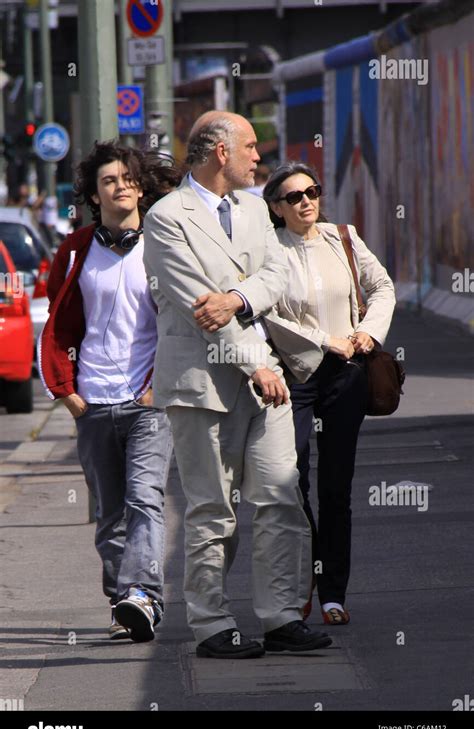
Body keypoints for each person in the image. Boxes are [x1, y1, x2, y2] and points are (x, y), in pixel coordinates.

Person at [143, 111, 332, 658]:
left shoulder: (254, 208)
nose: (259, 156)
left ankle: (278, 615)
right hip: (204, 384)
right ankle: (211, 623)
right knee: (212, 510)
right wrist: (258, 364)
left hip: (262, 381)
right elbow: (200, 309)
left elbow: (275, 276)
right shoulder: (166, 217)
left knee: (280, 496)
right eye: (250, 146)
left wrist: (239, 298)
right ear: (221, 152)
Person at [38, 140, 181, 642]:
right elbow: (56, 325)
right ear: (94, 196)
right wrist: (66, 391)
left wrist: (156, 387)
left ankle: (142, 593)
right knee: (108, 515)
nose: (120, 187)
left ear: (141, 187)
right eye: (108, 181)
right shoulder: (75, 250)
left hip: (149, 402)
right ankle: (124, 601)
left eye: (128, 178)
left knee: (145, 499)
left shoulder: (164, 243)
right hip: (92, 400)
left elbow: (178, 323)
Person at [263, 161, 396, 625]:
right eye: (294, 196)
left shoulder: (344, 237)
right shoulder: (267, 249)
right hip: (294, 379)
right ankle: (299, 586)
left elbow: (382, 288)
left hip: (346, 378)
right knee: (290, 485)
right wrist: (323, 340)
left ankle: (333, 593)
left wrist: (369, 334)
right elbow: (264, 314)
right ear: (276, 208)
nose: (306, 201)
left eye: (312, 191)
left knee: (335, 488)